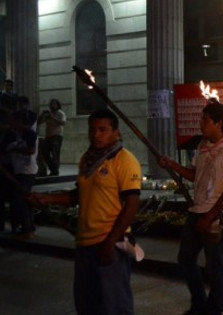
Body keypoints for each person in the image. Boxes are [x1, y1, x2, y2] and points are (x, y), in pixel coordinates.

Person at [30, 109, 141, 314]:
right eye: (92, 130)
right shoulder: (87, 160)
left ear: (116, 132)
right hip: (84, 244)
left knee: (114, 304)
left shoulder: (124, 160)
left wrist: (110, 242)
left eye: (102, 130)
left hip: (110, 243)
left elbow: (132, 204)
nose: (96, 134)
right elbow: (79, 196)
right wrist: (48, 198)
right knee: (87, 304)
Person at [159, 102, 223, 315]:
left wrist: (210, 216)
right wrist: (172, 165)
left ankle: (214, 309)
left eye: (205, 120)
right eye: (201, 118)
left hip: (215, 217)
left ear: (218, 123)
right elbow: (195, 175)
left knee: (214, 267)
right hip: (196, 212)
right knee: (185, 260)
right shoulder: (203, 146)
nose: (200, 123)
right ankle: (199, 304)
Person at [7, 100, 39, 238]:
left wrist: (15, 149)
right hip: (19, 170)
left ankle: (28, 228)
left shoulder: (29, 134)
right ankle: (25, 227)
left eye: (13, 122)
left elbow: (31, 150)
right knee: (19, 199)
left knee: (22, 200)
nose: (11, 125)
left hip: (27, 171)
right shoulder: (18, 135)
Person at [38, 98, 66, 176]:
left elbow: (63, 123)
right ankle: (54, 170)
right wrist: (42, 115)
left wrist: (52, 117)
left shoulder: (60, 113)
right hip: (48, 136)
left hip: (57, 136)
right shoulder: (48, 114)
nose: (52, 106)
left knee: (55, 154)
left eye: (54, 104)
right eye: (51, 104)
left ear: (57, 105)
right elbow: (39, 122)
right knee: (45, 153)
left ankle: (54, 171)